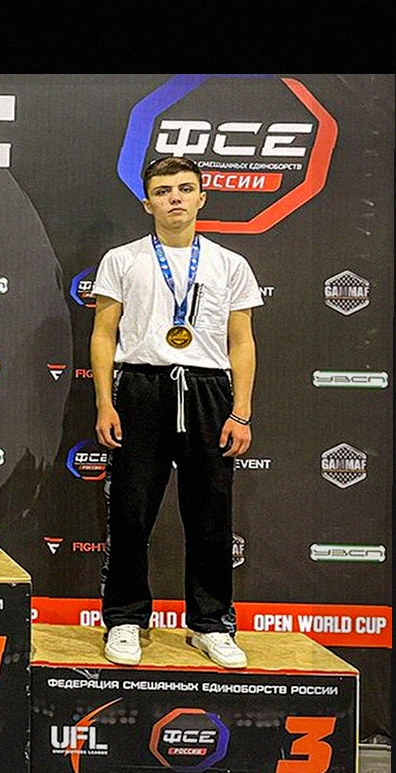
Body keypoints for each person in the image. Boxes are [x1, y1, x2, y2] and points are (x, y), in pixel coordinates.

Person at [90, 156, 262, 669]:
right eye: (163, 191)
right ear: (148, 203)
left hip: (209, 390)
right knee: (130, 512)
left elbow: (242, 341)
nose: (175, 199)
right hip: (141, 386)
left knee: (211, 516)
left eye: (185, 189)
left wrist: (241, 411)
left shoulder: (230, 264)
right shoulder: (122, 259)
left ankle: (212, 625)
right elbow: (103, 334)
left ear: (202, 198)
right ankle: (125, 619)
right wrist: (105, 402)